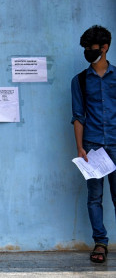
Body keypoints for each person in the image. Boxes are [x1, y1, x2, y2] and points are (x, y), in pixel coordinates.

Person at [71, 25, 114, 263]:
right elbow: (78, 116)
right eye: (85, 48)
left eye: (92, 48)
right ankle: (100, 243)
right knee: (94, 197)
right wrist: (80, 148)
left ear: (105, 48)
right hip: (93, 148)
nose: (88, 51)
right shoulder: (79, 81)